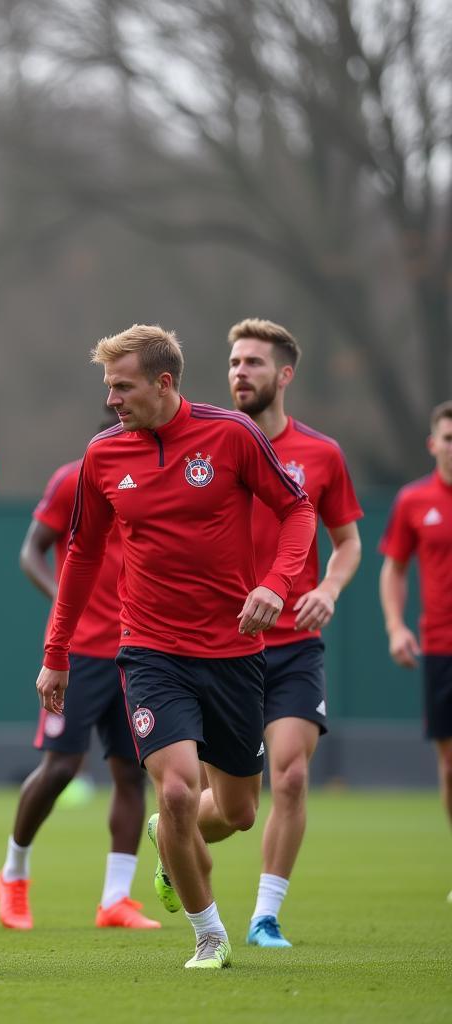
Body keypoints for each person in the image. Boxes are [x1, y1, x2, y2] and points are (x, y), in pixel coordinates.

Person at [36, 324, 315, 970]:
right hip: (150, 653)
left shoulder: (232, 436)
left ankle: (170, 838)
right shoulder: (102, 456)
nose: (112, 399)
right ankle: (209, 935)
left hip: (235, 654)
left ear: (164, 383)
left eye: (123, 386)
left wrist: (276, 583)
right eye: (108, 387)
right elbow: (79, 555)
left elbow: (298, 511)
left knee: (241, 810)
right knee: (180, 791)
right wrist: (57, 652)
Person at [224, 318, 363, 947]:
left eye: (254, 362)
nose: (240, 372)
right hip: (221, 646)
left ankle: (264, 916)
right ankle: (169, 834)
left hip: (293, 647)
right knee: (224, 808)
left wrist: (328, 590)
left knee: (291, 776)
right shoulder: (212, 445)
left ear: (284, 375)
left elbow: (348, 541)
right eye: (234, 361)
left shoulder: (322, 454)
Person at [0, 423, 158, 932]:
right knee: (62, 767)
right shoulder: (75, 479)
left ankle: (116, 899)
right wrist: (66, 601)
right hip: (80, 651)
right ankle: (13, 875)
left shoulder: (161, 478)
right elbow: (30, 552)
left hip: (139, 649)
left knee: (132, 773)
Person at [380, 400, 452, 903]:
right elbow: (394, 569)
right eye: (447, 437)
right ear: (433, 443)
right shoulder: (413, 501)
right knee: (449, 767)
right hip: (441, 645)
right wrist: (394, 626)